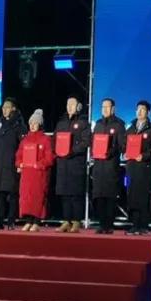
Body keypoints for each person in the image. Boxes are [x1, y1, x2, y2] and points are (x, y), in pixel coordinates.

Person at [54, 95, 91, 233]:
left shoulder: (83, 122)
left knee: (75, 194)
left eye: (72, 104)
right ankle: (66, 220)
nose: (69, 107)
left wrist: (72, 151)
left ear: (78, 106)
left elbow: (86, 142)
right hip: (62, 164)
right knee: (64, 194)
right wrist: (57, 151)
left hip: (76, 163)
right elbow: (54, 140)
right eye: (68, 104)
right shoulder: (61, 123)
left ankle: (76, 221)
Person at [0, 98, 27, 230]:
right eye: (3, 107)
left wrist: (20, 163)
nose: (4, 110)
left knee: (12, 193)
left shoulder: (19, 124)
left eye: (7, 107)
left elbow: (23, 146)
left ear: (13, 109)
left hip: (12, 164)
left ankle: (11, 221)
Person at [91, 98, 126, 234]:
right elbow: (93, 142)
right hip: (98, 166)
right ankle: (101, 224)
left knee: (110, 195)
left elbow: (122, 145)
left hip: (111, 165)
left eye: (107, 107)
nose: (105, 109)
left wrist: (110, 151)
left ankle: (109, 225)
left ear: (113, 109)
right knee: (99, 195)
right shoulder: (98, 124)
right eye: (103, 107)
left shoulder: (119, 124)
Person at [17, 109, 55, 231]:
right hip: (27, 175)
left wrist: (39, 164)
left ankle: (36, 222)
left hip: (39, 174)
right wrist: (19, 164)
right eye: (31, 123)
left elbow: (49, 158)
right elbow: (18, 155)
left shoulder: (45, 139)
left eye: (35, 123)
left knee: (37, 197)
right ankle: (28, 220)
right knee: (26, 198)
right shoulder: (25, 140)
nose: (32, 125)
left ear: (40, 124)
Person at [125, 100, 151, 234]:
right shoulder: (130, 129)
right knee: (131, 195)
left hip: (145, 167)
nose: (139, 112)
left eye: (142, 109)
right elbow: (124, 145)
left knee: (144, 196)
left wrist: (144, 156)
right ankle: (134, 224)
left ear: (148, 112)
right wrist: (125, 153)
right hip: (131, 167)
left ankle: (144, 225)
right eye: (137, 109)